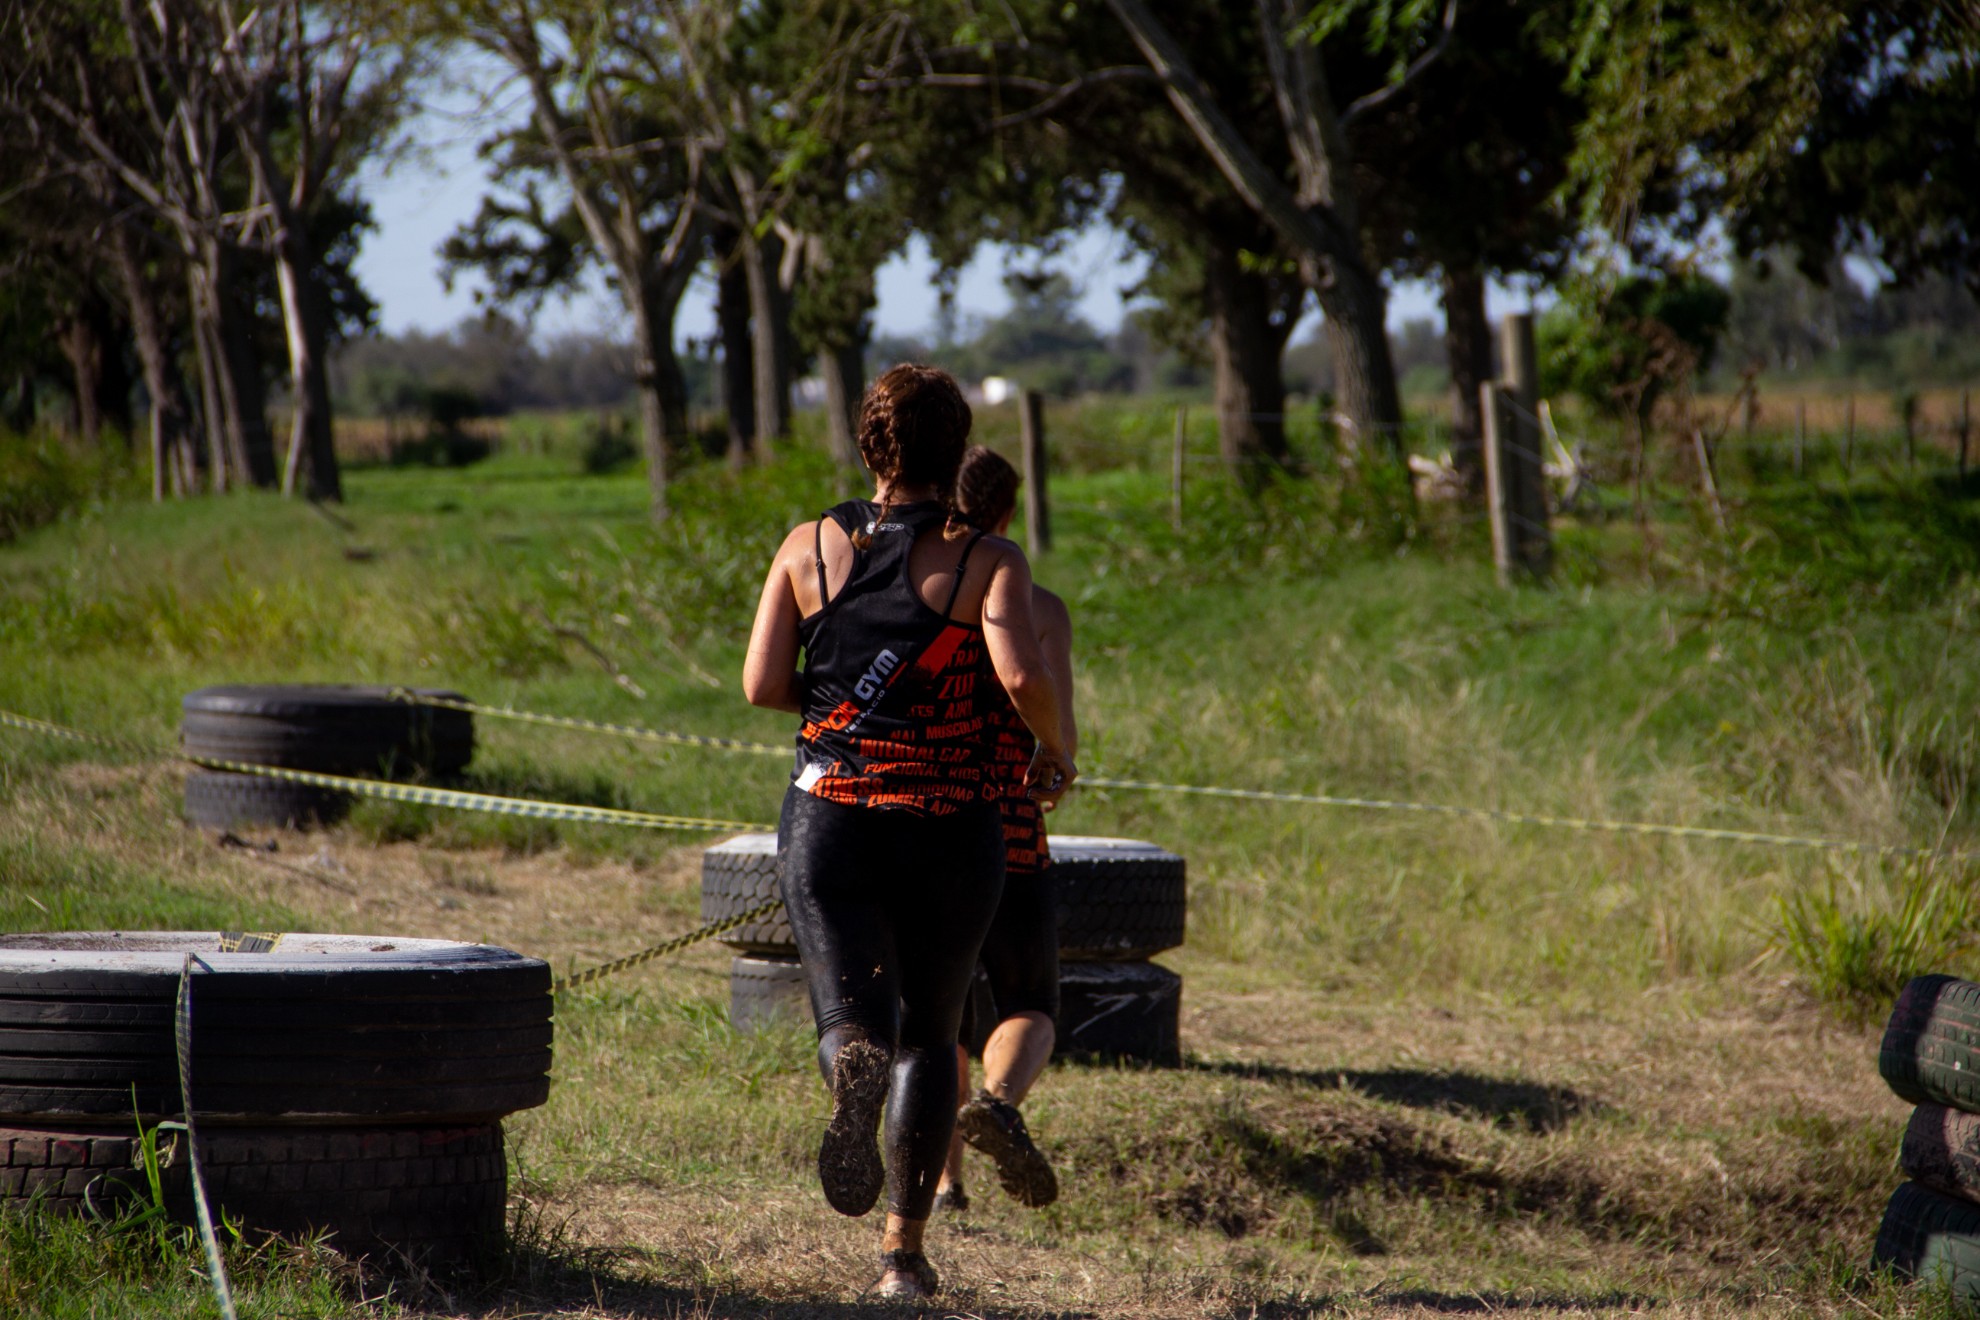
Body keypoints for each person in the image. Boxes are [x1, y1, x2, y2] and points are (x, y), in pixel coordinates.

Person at [742, 364, 1076, 1302]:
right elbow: (1019, 674)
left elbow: (763, 685)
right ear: (956, 448)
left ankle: (849, 1062)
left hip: (830, 817)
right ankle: (903, 1258)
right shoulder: (987, 560)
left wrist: (842, 705)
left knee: (854, 1018)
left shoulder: (806, 543)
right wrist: (1057, 750)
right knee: (930, 1037)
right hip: (950, 825)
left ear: (867, 446)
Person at [933, 447, 1075, 1214]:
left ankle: (944, 1183)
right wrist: (1056, 766)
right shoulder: (1042, 611)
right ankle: (1001, 1103)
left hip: (923, 823)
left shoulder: (913, 596)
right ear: (1009, 513)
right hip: (1011, 830)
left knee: (940, 1020)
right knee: (1030, 1002)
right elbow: (1061, 741)